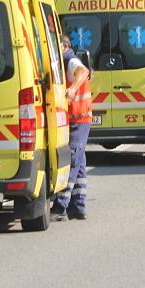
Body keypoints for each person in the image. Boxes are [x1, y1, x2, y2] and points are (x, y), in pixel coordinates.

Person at [52, 34, 92, 221]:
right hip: (76, 119)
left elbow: (83, 71)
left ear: (64, 46)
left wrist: (73, 88)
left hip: (79, 118)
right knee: (80, 161)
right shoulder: (62, 60)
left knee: (73, 159)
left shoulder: (69, 59)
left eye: (55, 45)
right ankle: (78, 206)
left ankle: (60, 205)